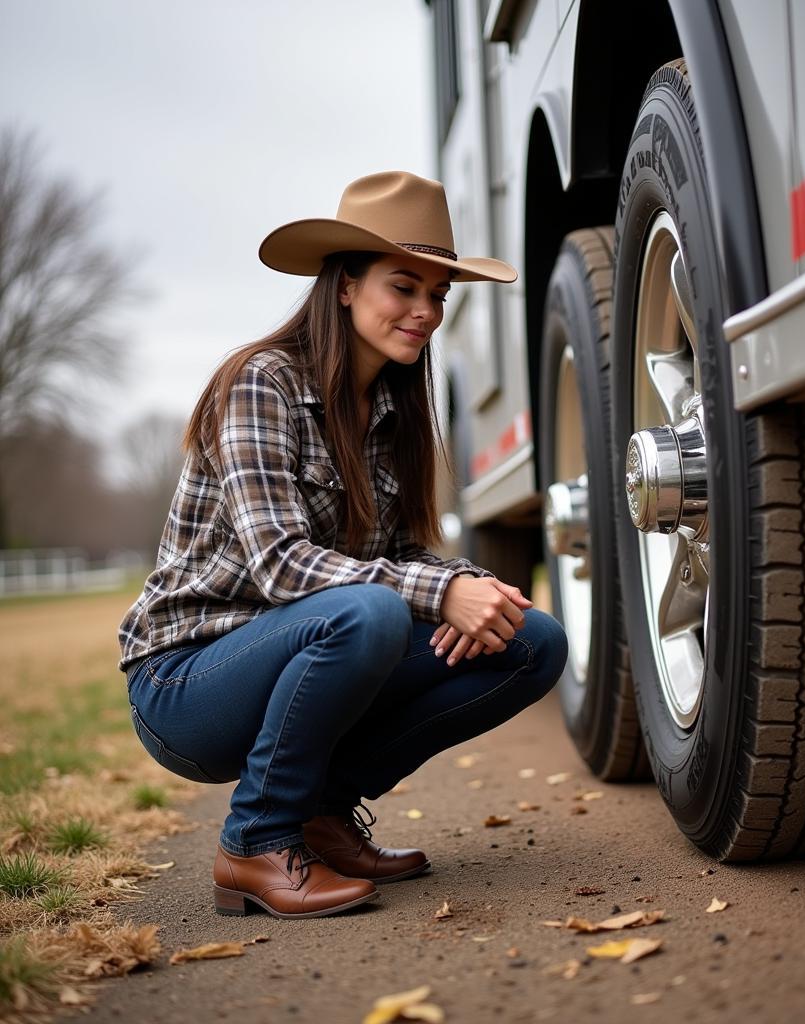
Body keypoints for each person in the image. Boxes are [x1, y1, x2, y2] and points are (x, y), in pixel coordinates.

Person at [117, 171, 568, 920]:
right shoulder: (258, 383)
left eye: (439, 295)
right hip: (187, 682)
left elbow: (403, 554)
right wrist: (435, 595)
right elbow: (281, 563)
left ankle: (323, 814)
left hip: (307, 644)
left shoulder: (392, 408)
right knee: (369, 614)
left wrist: (470, 587)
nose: (425, 311)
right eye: (404, 287)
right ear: (346, 285)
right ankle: (254, 838)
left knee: (530, 641)